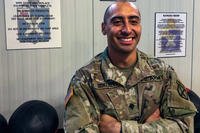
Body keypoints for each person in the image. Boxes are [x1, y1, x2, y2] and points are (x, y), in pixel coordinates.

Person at [64, 1, 197, 132]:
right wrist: (155, 127)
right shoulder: (85, 80)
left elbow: (185, 125)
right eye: (117, 22)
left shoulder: (162, 73)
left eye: (134, 22)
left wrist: (120, 129)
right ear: (104, 28)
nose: (127, 29)